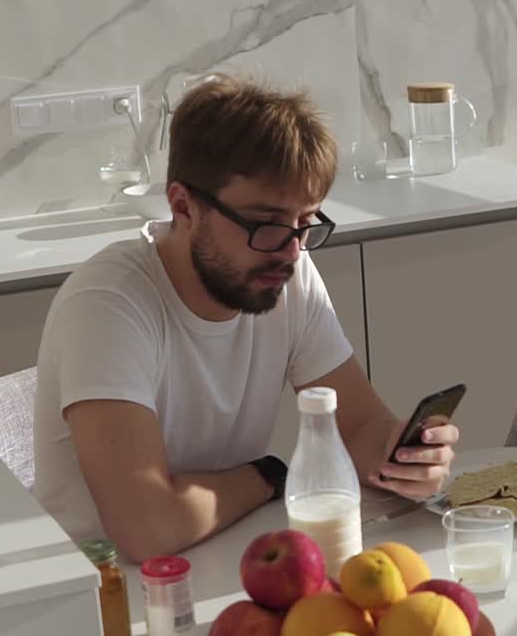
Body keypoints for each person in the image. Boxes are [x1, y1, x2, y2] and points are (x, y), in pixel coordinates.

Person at [32, 75, 458, 561]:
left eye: (305, 222)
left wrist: (409, 458)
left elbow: (359, 426)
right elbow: (146, 529)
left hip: (222, 556)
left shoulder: (284, 271)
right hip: (106, 591)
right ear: (182, 205)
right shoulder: (109, 302)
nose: (292, 250)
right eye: (266, 223)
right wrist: (266, 476)